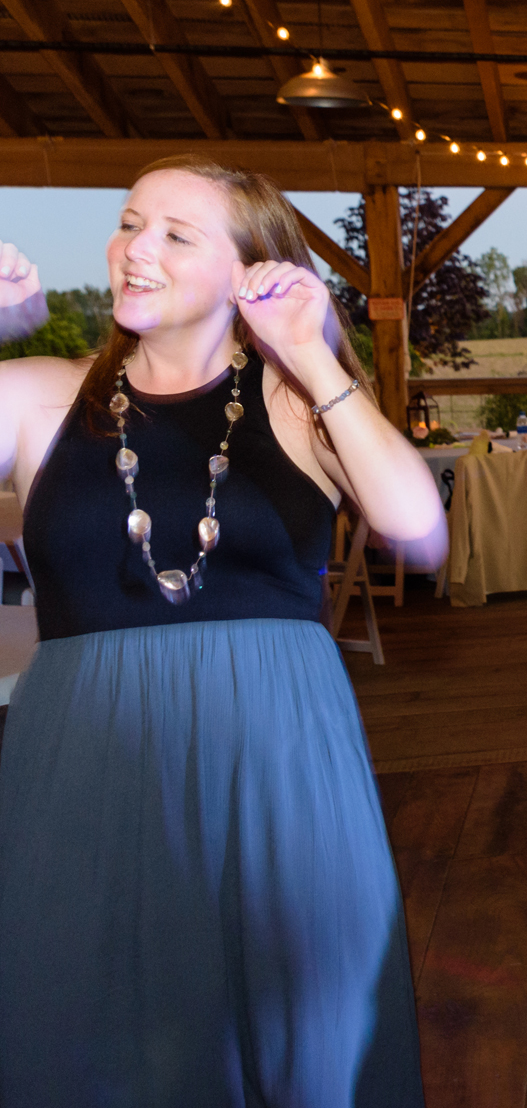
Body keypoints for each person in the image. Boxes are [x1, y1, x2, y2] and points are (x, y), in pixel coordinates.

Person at [0, 158, 446, 1105]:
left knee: (295, 1038)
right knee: (88, 1031)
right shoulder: (41, 396)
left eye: (175, 232)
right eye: (129, 222)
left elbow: (418, 525)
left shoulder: (295, 403)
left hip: (277, 764)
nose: (135, 248)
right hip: (85, 757)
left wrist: (313, 353)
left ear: (251, 269)